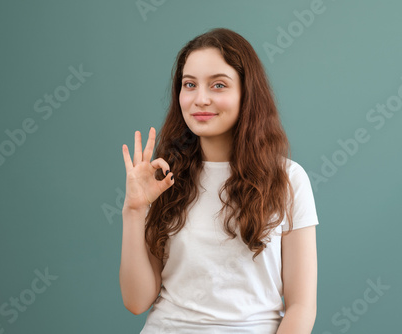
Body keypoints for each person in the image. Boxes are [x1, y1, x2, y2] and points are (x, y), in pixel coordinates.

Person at [120, 27, 319, 334]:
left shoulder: (289, 179)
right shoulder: (163, 178)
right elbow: (136, 301)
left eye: (218, 85)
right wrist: (134, 210)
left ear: (246, 93)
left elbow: (301, 305)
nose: (200, 99)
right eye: (189, 85)